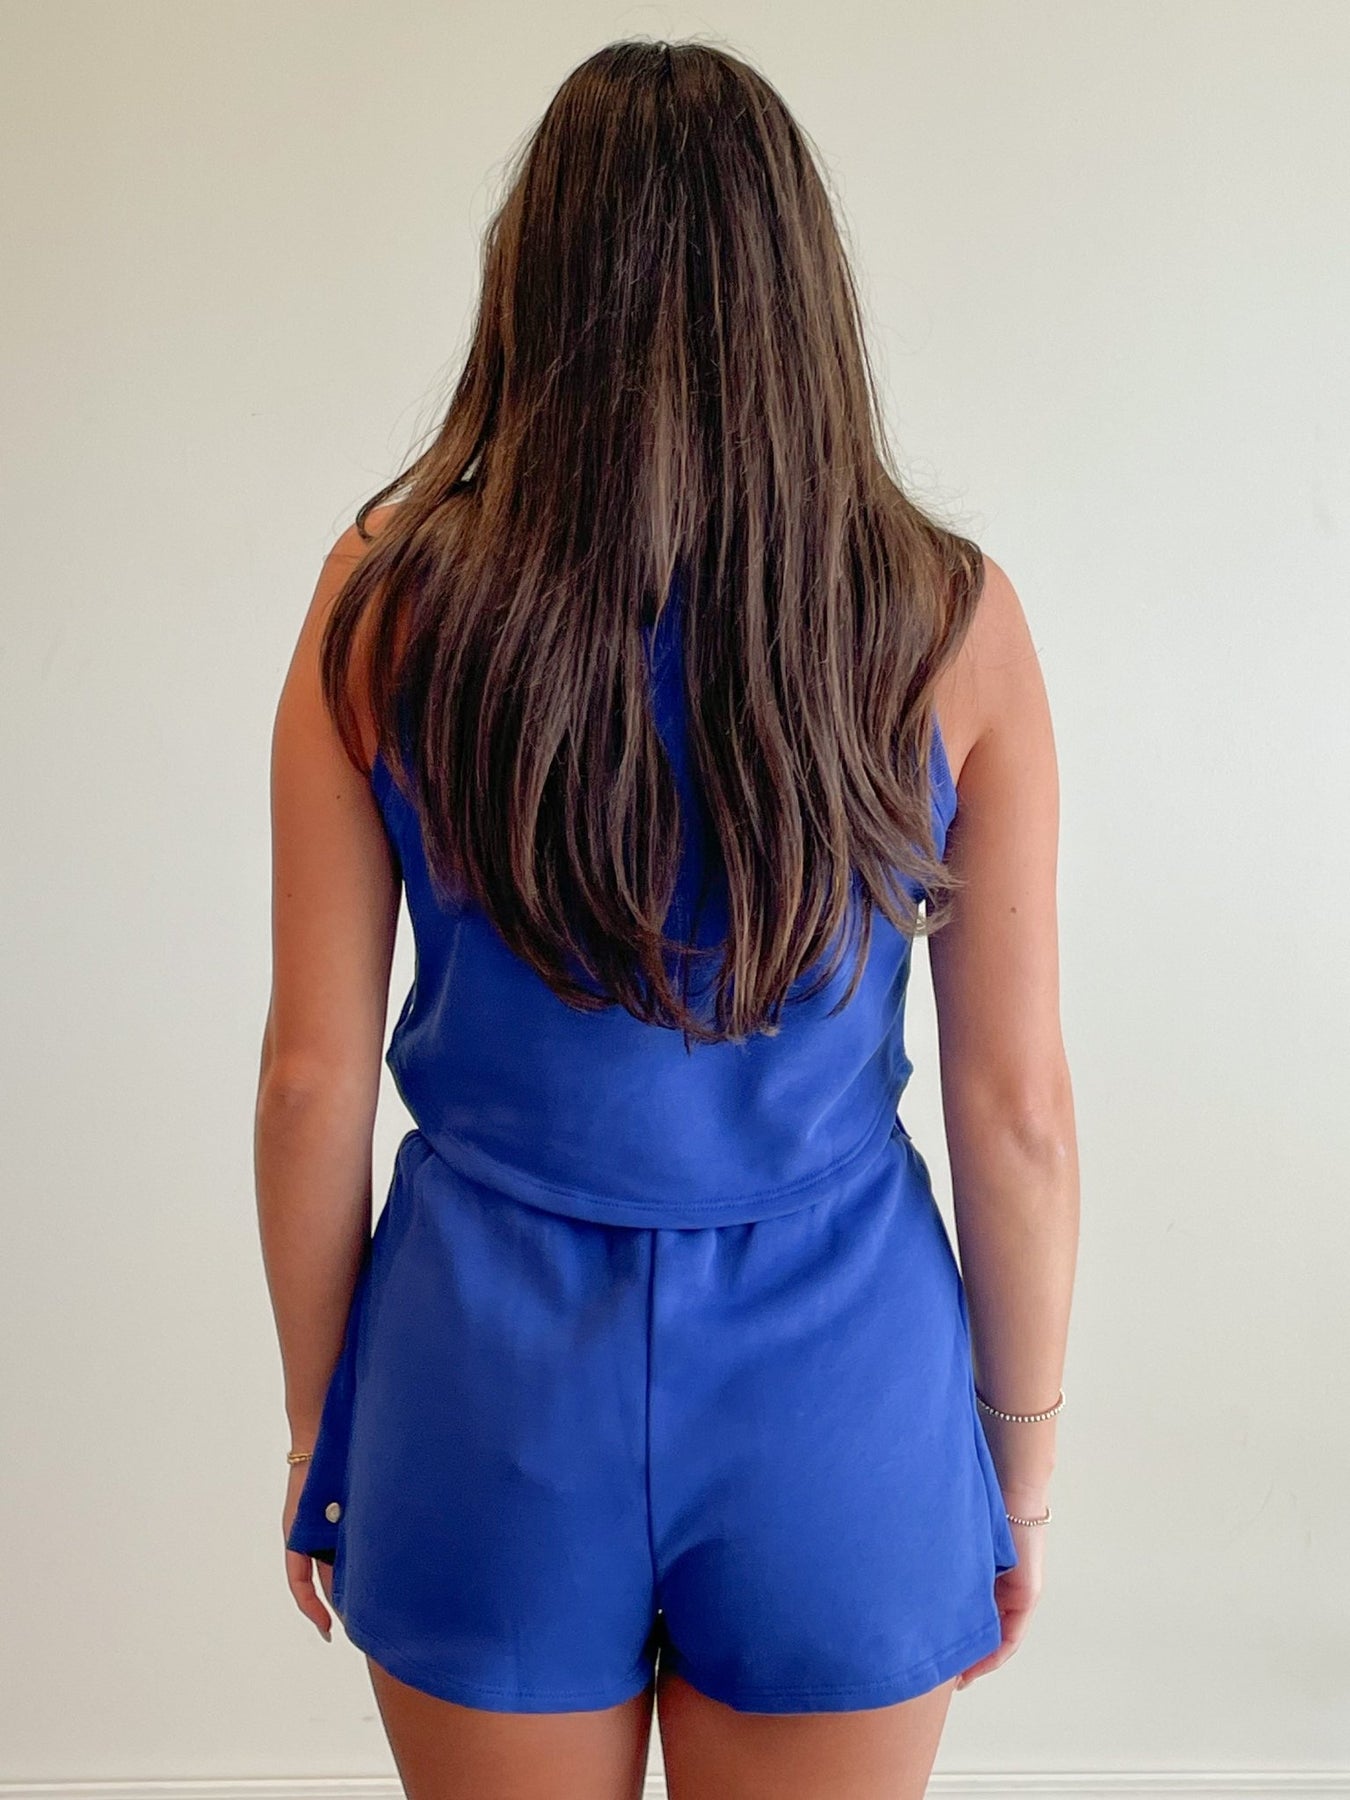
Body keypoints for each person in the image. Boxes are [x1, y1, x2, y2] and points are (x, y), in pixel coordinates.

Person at [254, 36, 1078, 1800]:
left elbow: (311, 1081)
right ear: (800, 296)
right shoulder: (948, 622)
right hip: (837, 1385)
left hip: (480, 1379)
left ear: (531, 282)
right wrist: (1010, 1469)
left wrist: (331, 1427)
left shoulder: (380, 605)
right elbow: (1014, 1113)